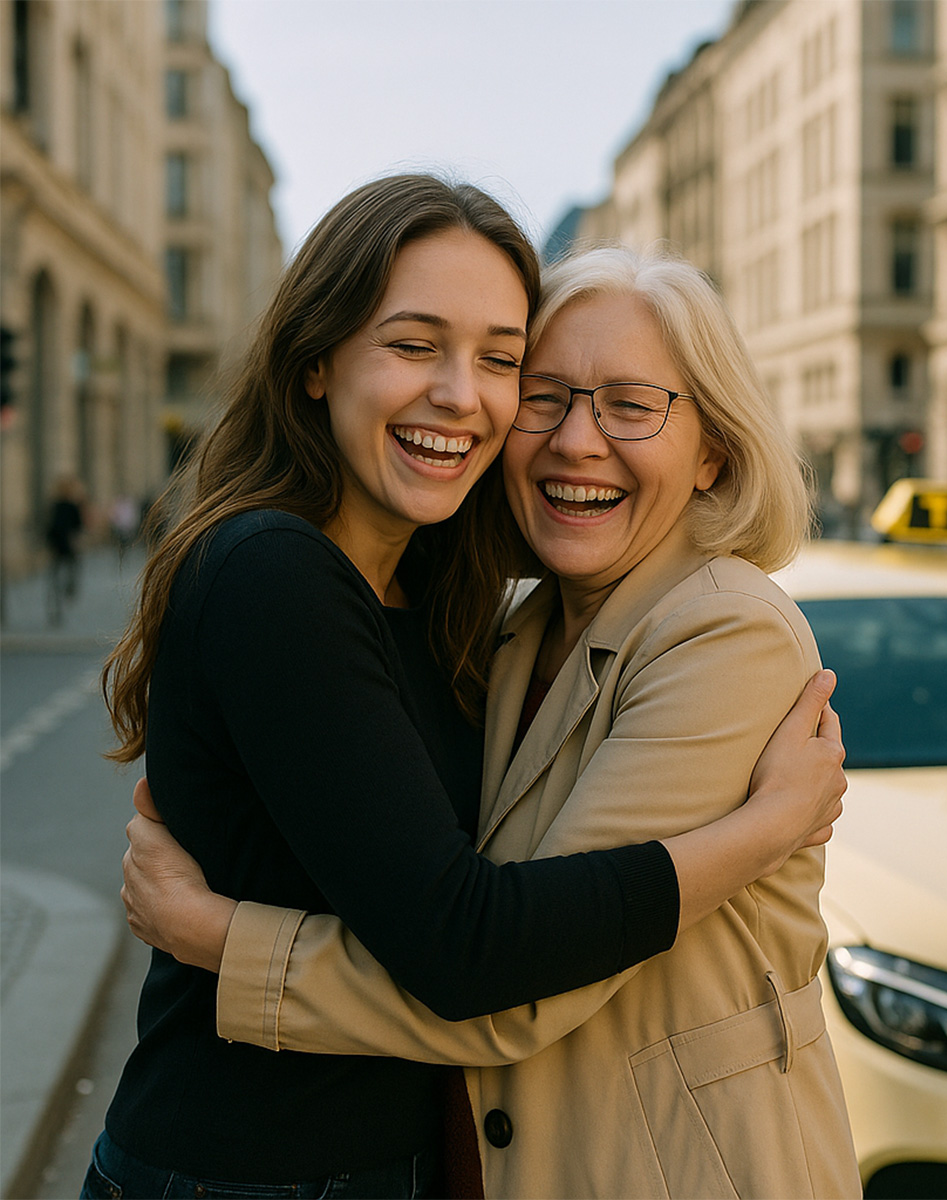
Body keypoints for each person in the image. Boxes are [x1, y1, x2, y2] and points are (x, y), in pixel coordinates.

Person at [91, 178, 846, 1200]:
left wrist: (223, 940)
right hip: (258, 1167)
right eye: (546, 393)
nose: (573, 437)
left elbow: (489, 973)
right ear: (315, 359)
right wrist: (760, 833)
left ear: (713, 449)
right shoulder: (356, 589)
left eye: (500, 361)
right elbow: (478, 945)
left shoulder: (708, 628)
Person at [46, 474, 84, 623]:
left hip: (56, 546)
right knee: (72, 570)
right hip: (68, 545)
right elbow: (78, 526)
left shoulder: (54, 505)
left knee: (55, 578)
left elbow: (50, 527)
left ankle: (56, 607)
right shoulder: (72, 506)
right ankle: (69, 590)